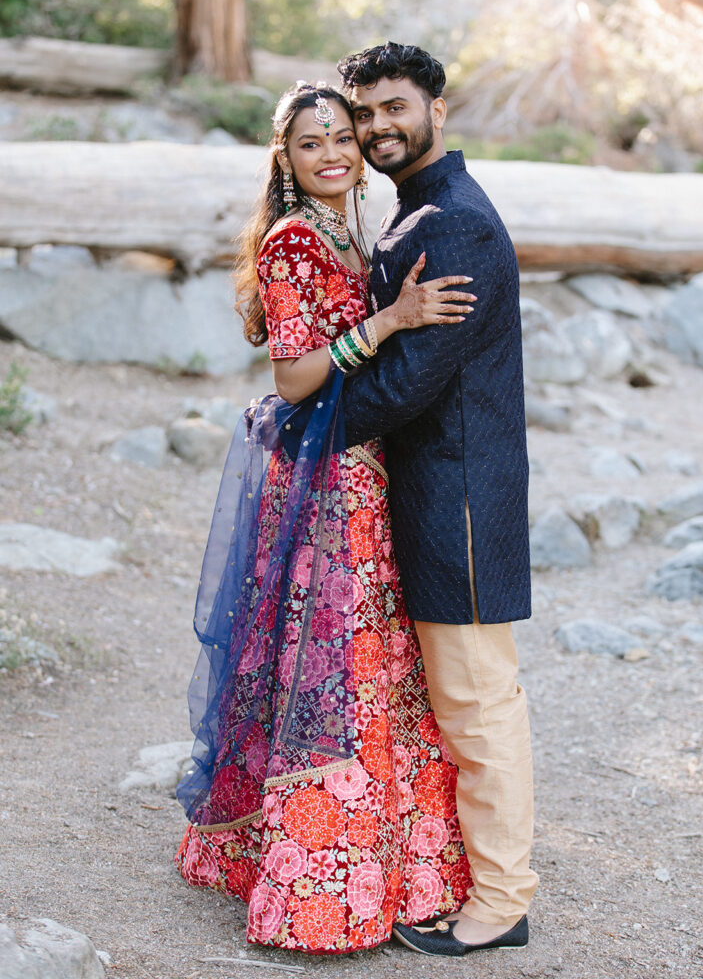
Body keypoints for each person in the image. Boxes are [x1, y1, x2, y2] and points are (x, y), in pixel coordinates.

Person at [175, 82, 478, 954]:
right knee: (330, 667)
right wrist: (389, 321)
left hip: (362, 470)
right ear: (287, 159)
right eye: (312, 144)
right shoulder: (295, 241)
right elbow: (294, 378)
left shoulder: (357, 227)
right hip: (320, 484)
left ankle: (392, 863)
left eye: (343, 137)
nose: (335, 154)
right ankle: (318, 881)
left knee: (370, 663)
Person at [331, 42, 538, 956]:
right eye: (363, 112)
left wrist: (308, 420)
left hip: (456, 494)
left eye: (394, 108)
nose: (379, 126)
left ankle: (502, 902)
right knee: (458, 701)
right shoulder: (416, 211)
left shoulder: (454, 224)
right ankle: (467, 878)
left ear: (437, 108)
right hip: (431, 487)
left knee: (478, 704)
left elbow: (412, 381)